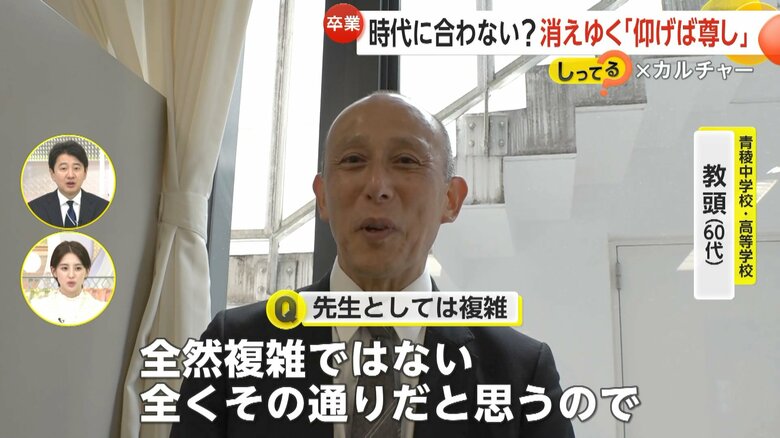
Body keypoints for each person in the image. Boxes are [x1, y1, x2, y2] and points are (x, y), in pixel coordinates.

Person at [171, 92, 574, 437]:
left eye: (406, 161)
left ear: (451, 199)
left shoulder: (520, 373)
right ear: (323, 196)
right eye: (353, 160)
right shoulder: (232, 349)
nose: (377, 187)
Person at [27, 140, 109, 228]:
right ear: (52, 173)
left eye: (76, 168)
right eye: (63, 168)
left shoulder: (103, 208)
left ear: (85, 172)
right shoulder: (34, 209)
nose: (70, 175)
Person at [30, 240, 107, 325]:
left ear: (87, 271)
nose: (71, 275)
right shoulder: (39, 308)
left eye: (78, 268)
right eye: (64, 268)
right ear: (54, 271)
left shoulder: (99, 309)